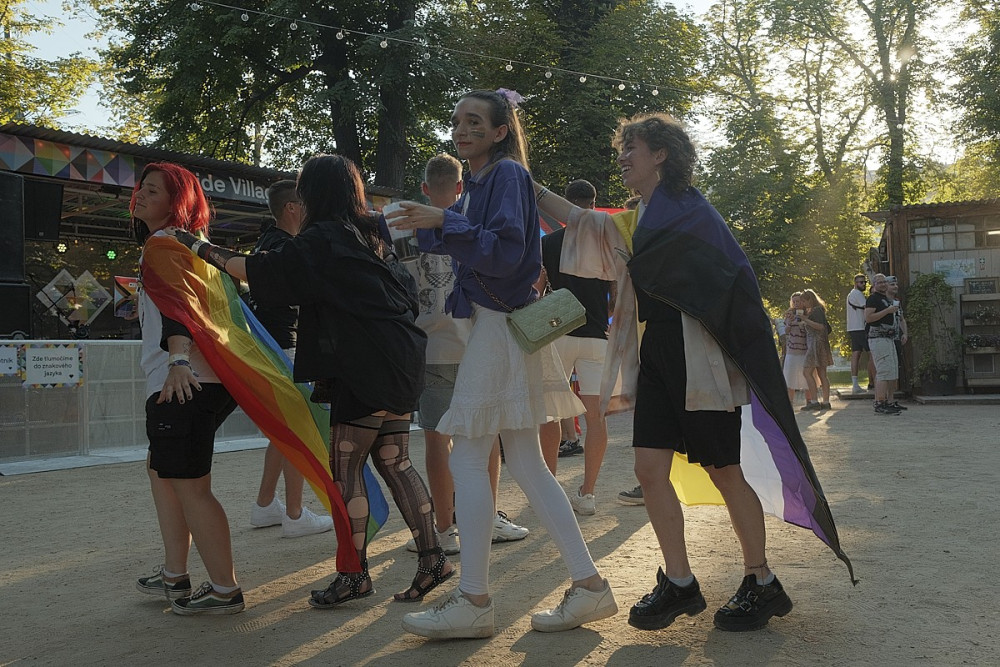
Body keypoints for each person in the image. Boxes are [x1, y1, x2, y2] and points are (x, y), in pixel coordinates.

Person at [534, 112, 802, 632]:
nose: (622, 157)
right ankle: (680, 583)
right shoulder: (641, 216)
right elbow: (588, 225)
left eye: (630, 147)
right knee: (649, 471)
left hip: (699, 354)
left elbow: (729, 290)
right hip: (659, 349)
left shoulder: (691, 214)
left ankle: (762, 581)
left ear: (661, 154)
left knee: (724, 470)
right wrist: (528, 183)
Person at [169, 154, 455, 606]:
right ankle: (432, 558)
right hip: (401, 352)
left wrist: (197, 246)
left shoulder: (323, 236)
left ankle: (355, 574)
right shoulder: (370, 231)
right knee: (395, 461)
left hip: (364, 360)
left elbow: (258, 271)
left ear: (312, 195)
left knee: (346, 469)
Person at [388, 89, 618, 639]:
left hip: (498, 328)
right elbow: (482, 247)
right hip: (502, 328)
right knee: (525, 464)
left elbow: (511, 253)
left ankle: (475, 601)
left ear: (498, 131)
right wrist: (410, 222)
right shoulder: (487, 182)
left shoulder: (506, 176)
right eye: (456, 121)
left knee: (470, 458)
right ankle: (587, 587)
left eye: (474, 122)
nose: (461, 129)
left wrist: (442, 219)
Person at [130, 162, 244, 615]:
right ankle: (174, 575)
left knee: (189, 485)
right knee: (164, 472)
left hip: (183, 381)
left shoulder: (165, 244)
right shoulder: (184, 246)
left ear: (176, 202)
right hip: (198, 380)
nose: (139, 195)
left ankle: (224, 590)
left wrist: (177, 359)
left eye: (152, 190)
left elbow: (182, 310)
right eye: (142, 187)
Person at [403, 154, 528, 555]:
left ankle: (443, 529)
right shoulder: (473, 224)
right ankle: (487, 517)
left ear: (424, 189)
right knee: (484, 437)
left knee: (437, 442)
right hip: (475, 344)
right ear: (461, 188)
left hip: (429, 348)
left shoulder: (406, 230)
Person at [248, 179, 334, 538]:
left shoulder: (262, 245)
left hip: (267, 346)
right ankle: (295, 514)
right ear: (292, 208)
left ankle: (266, 504)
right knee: (298, 429)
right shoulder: (288, 248)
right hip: (286, 347)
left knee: (284, 429)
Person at [538, 178, 612, 515]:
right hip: (596, 335)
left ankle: (549, 490)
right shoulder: (605, 243)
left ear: (565, 205)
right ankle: (588, 494)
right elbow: (614, 296)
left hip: (559, 332)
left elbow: (537, 289)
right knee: (596, 417)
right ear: (593, 204)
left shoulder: (550, 241)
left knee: (550, 414)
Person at [865, 273, 902, 415]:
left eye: (884, 282)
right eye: (879, 282)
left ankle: (887, 401)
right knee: (883, 371)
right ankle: (879, 402)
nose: (882, 284)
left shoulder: (885, 299)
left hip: (889, 338)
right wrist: (887, 311)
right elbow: (868, 318)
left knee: (891, 371)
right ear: (874, 285)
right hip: (878, 338)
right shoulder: (873, 299)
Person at [799, 289, 833, 410]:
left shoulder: (816, 310)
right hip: (820, 343)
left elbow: (821, 327)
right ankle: (825, 401)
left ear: (809, 299)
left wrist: (805, 320)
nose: (802, 303)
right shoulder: (817, 310)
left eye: (803, 301)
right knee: (821, 374)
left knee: (807, 372)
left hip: (816, 343)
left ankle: (814, 401)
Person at [783, 292, 813, 407]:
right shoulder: (789, 314)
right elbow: (786, 331)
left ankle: (809, 400)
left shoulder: (808, 314)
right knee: (790, 376)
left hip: (805, 349)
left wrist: (803, 321)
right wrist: (789, 323)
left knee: (806, 376)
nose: (796, 304)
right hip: (792, 349)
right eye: (794, 301)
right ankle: (790, 402)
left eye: (798, 301)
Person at [885, 276, 909, 412]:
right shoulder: (882, 301)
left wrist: (905, 333)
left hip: (896, 337)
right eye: (892, 284)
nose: (895, 287)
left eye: (896, 284)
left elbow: (901, 319)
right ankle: (882, 399)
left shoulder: (896, 302)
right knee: (886, 369)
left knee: (895, 368)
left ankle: (891, 399)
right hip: (885, 338)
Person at [846, 274, 873, 393]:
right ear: (855, 283)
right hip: (861, 328)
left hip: (853, 328)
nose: (863, 284)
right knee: (872, 354)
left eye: (864, 282)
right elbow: (868, 307)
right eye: (861, 282)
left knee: (856, 354)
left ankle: (855, 384)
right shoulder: (857, 294)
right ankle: (874, 382)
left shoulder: (851, 294)